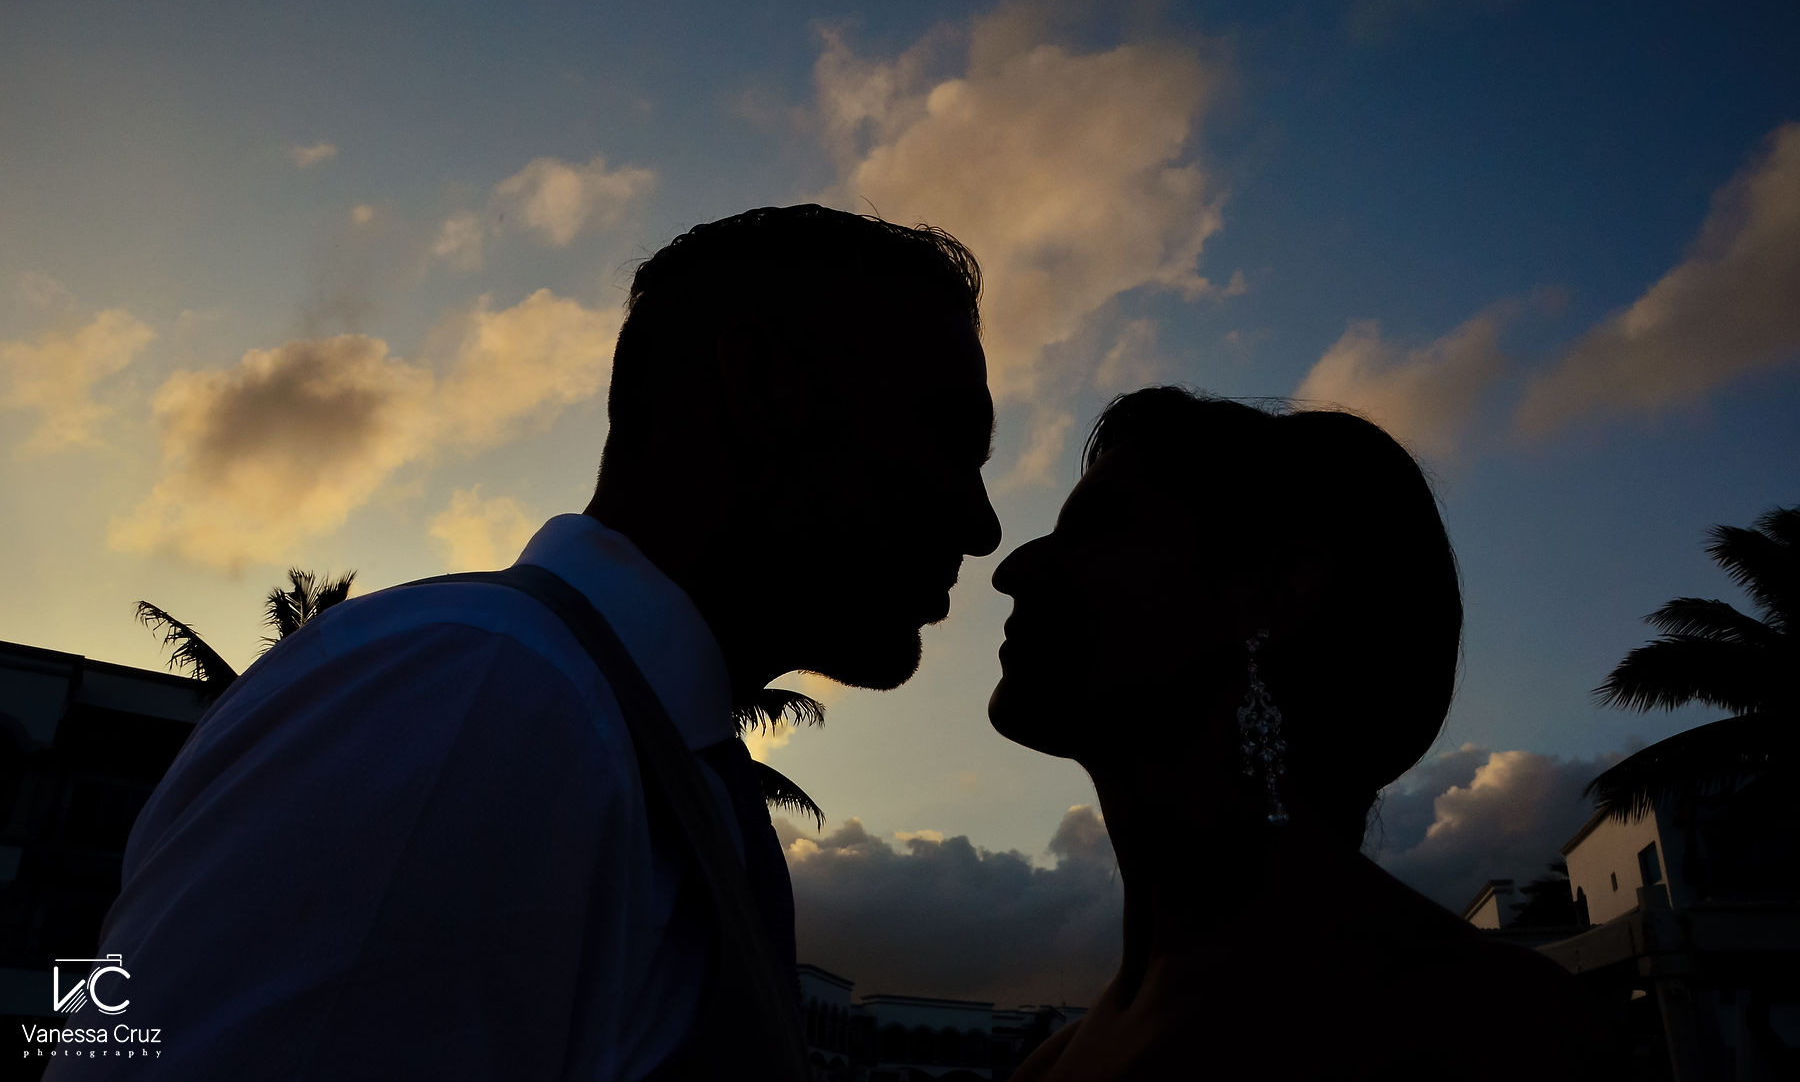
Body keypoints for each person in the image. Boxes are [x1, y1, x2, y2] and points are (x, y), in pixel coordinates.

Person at [50, 205, 1000, 1081]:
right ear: (759, 391)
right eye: (949, 438)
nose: (982, 523)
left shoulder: (594, 733)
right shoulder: (481, 701)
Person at [990, 386, 1614, 1081]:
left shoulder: (1489, 1030)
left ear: (1274, 591)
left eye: (1097, 528)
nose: (1013, 570)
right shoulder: (1045, 1066)